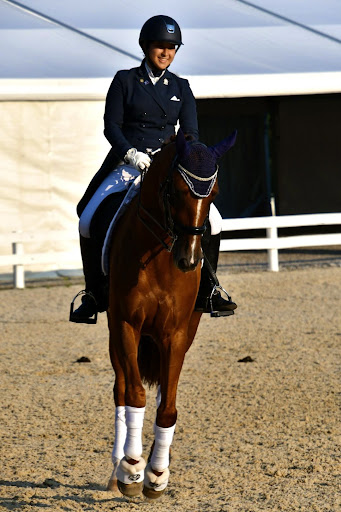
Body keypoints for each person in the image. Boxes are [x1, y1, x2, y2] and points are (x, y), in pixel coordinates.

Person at [69, 15, 237, 324]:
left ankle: (209, 290)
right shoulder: (126, 80)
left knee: (215, 221)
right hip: (128, 163)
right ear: (147, 47)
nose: (166, 53)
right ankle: (94, 293)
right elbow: (111, 126)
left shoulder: (181, 87)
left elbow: (190, 134)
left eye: (172, 48)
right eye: (161, 46)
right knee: (87, 218)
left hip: (167, 166)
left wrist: (177, 159)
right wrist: (130, 153)